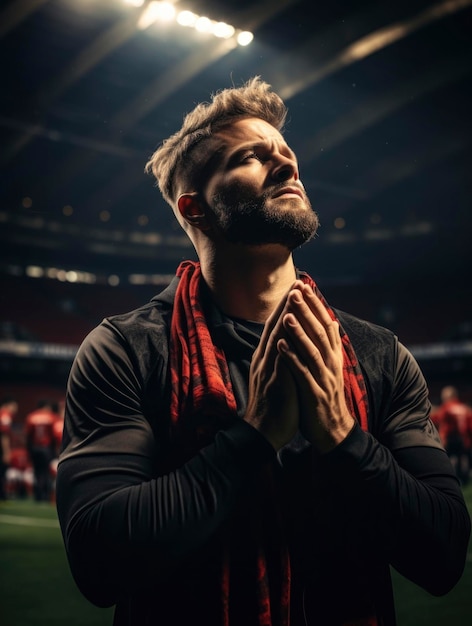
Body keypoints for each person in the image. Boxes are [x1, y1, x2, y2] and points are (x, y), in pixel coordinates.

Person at [56, 77, 471, 626]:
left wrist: (345, 439)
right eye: (251, 156)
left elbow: (442, 557)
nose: (286, 165)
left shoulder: (379, 355)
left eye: (286, 153)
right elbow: (97, 560)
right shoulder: (126, 350)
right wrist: (252, 440)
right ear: (195, 208)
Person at [435, 385, 472, 485]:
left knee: (447, 461)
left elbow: (440, 421)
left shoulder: (446, 407)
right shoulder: (465, 408)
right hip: (463, 440)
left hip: (450, 439)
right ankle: (464, 479)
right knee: (462, 460)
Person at [25, 399, 58, 502]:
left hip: (35, 447)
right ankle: (45, 494)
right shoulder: (52, 416)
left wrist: (29, 449)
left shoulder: (31, 416)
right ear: (46, 406)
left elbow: (28, 435)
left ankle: (38, 494)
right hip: (46, 447)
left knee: (37, 471)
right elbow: (55, 434)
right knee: (46, 472)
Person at [0, 396, 18, 500]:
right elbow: (4, 435)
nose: (15, 409)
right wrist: (6, 452)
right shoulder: (5, 415)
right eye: (14, 406)